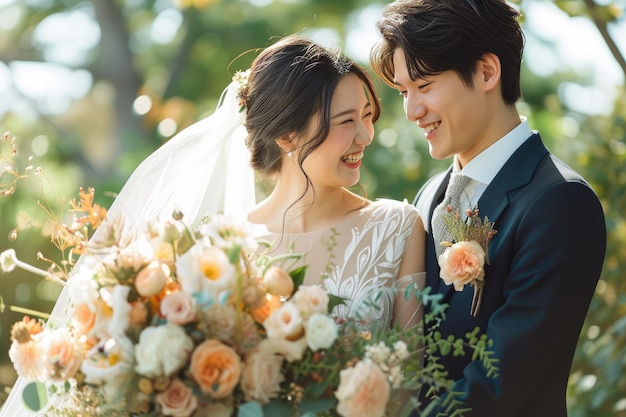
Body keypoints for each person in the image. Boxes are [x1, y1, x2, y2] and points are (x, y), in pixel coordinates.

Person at [1, 35, 425, 416]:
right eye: (347, 120)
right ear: (287, 136)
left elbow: (413, 383)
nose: (366, 135)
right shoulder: (216, 250)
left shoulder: (398, 227)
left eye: (369, 116)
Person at [370, 1, 606, 416]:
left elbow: (501, 384)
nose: (411, 111)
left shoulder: (561, 202)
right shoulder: (429, 197)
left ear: (486, 72)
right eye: (405, 91)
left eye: (424, 86)